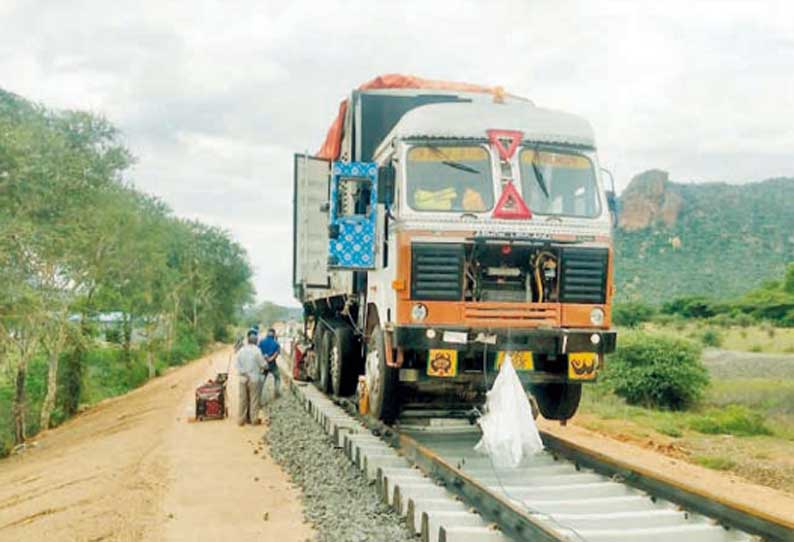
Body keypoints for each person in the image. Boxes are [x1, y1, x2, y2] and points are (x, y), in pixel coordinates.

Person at [235, 329, 265, 425]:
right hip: (254, 378)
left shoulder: (241, 351)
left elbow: (237, 365)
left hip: (243, 378)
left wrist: (244, 373)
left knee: (243, 399)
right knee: (254, 399)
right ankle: (254, 419)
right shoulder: (257, 351)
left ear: (248, 340)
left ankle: (241, 420)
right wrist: (266, 364)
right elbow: (262, 364)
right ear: (256, 341)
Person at [258, 328, 281, 400]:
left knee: (261, 381)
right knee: (277, 377)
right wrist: (270, 359)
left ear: (267, 334)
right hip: (272, 365)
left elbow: (258, 353)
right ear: (274, 334)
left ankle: (258, 395)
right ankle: (276, 393)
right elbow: (276, 354)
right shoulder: (276, 344)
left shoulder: (261, 342)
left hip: (263, 365)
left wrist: (265, 359)